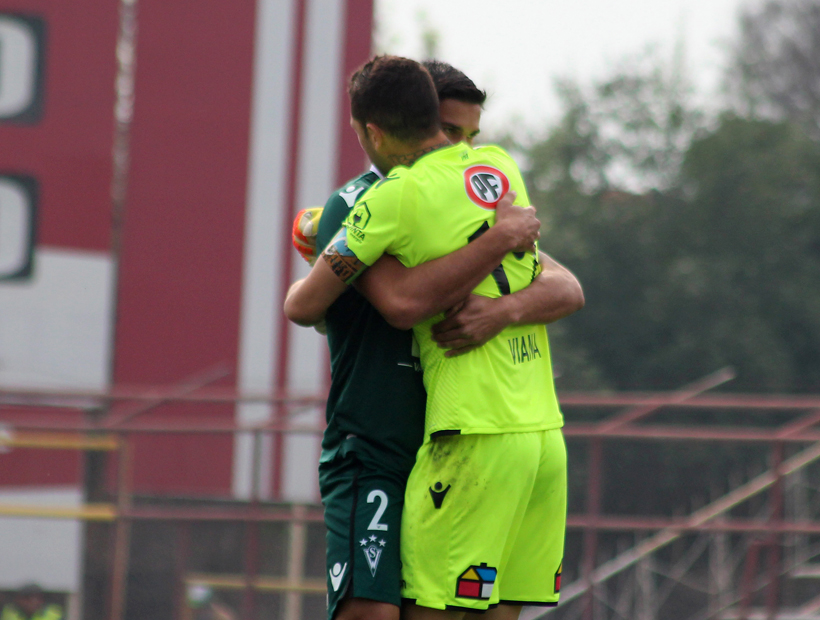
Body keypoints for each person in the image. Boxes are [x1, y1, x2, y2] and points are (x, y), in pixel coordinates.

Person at [285, 56, 578, 620]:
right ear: (426, 119)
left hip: (460, 434)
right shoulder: (373, 200)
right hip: (380, 444)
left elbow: (566, 286)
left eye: (472, 135)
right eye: (452, 131)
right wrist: (496, 243)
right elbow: (395, 304)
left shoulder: (466, 187)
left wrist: (500, 310)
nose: (463, 145)